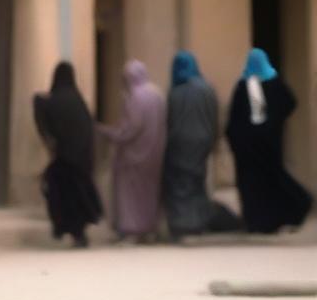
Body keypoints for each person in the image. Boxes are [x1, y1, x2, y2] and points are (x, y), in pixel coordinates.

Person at [225, 48, 313, 234]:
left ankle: (259, 223)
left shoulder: (243, 85)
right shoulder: (274, 83)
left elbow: (234, 119)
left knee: (253, 185)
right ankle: (283, 215)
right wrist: (275, 120)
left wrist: (237, 140)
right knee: (273, 179)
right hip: (270, 143)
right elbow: (290, 102)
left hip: (249, 147)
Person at [163, 51, 241, 240]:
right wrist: (214, 141)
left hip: (180, 144)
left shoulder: (176, 92)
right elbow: (215, 118)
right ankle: (197, 221)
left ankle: (182, 223)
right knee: (198, 180)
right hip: (203, 143)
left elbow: (170, 120)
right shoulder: (207, 89)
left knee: (180, 184)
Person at [33, 62, 102, 248]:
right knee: (78, 195)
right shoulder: (78, 101)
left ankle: (68, 230)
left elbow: (46, 122)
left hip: (64, 159)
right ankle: (78, 232)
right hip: (81, 159)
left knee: (62, 195)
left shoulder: (54, 101)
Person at [98, 60, 166, 242]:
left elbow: (131, 128)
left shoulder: (135, 96)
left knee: (131, 194)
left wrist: (108, 133)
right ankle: (150, 228)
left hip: (134, 155)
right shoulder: (157, 94)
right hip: (156, 153)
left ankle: (133, 228)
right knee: (149, 192)